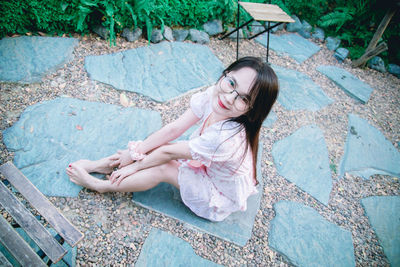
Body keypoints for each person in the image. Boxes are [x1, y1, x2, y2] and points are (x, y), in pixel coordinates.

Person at [66, 56, 279, 222]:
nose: (229, 97)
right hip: (206, 167)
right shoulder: (215, 95)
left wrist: (134, 166)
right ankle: (101, 165)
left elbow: (168, 155)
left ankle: (101, 186)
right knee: (160, 146)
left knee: (164, 166)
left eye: (243, 98)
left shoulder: (228, 138)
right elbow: (173, 129)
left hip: (216, 195)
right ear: (225, 74)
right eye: (231, 83)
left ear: (252, 110)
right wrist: (134, 154)